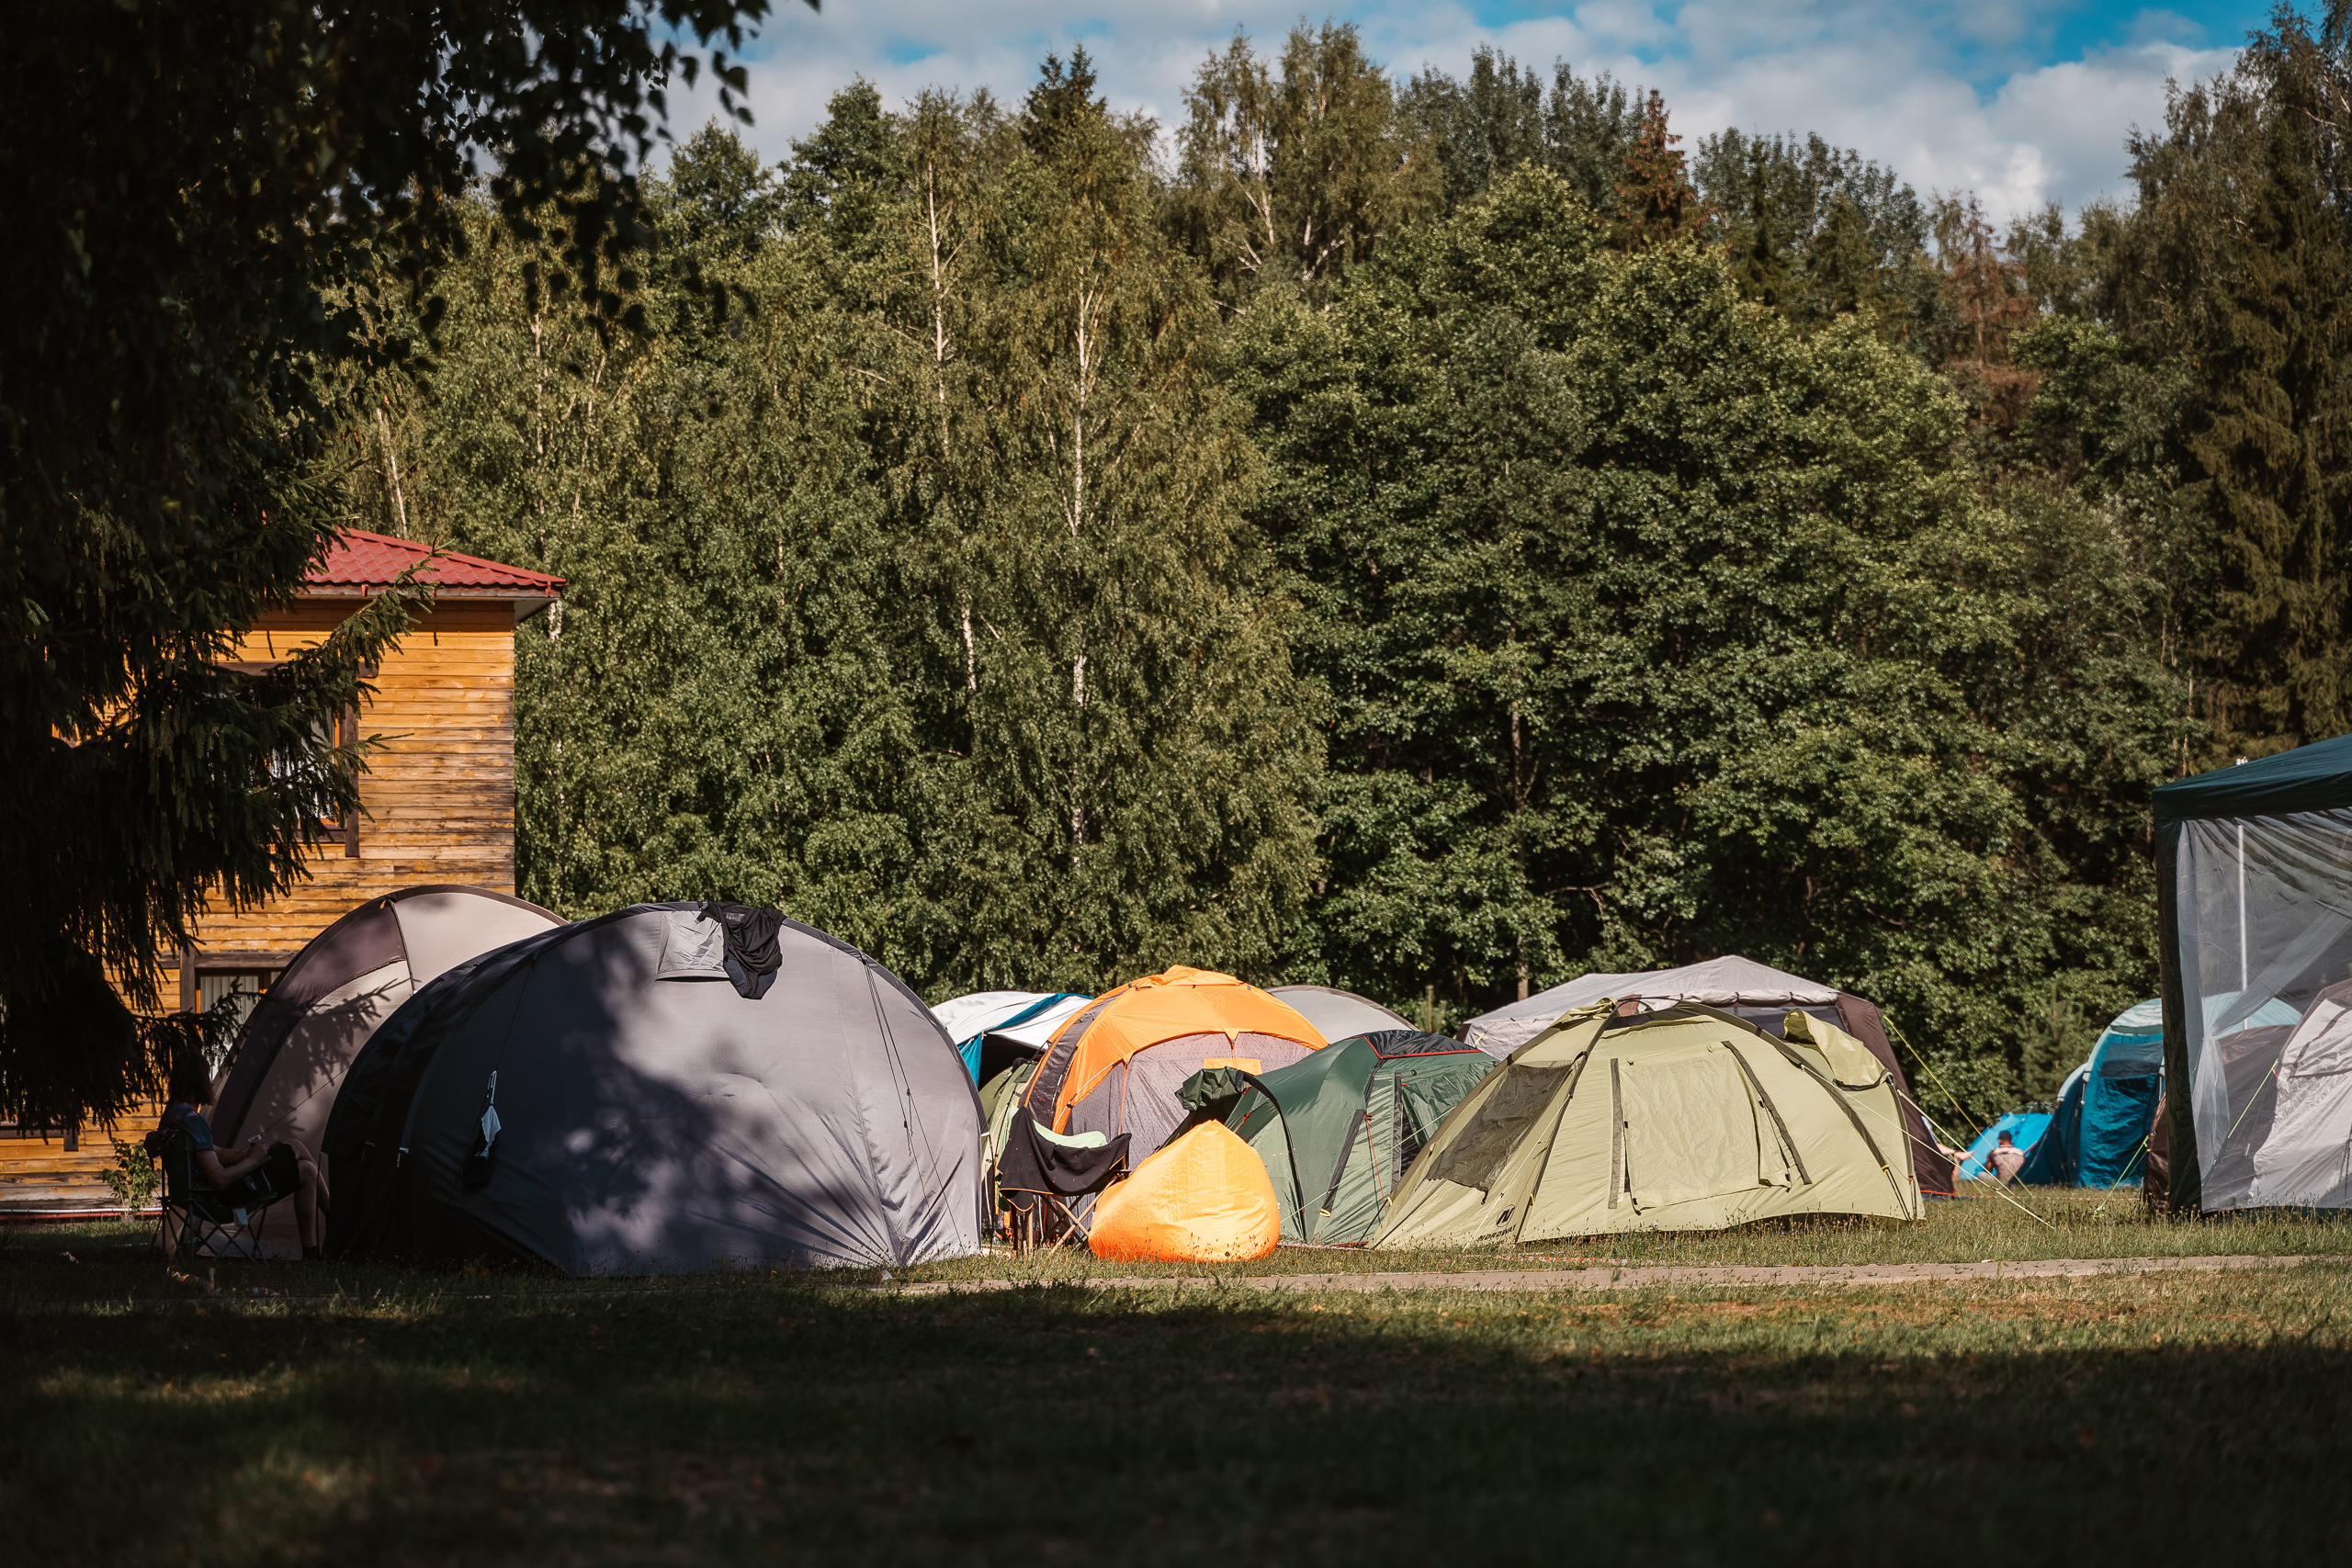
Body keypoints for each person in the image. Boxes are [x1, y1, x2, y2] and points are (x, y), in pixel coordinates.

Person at [152, 1099, 330, 1259]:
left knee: (308, 1170)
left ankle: (311, 1254)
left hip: (203, 1197)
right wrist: (253, 1160)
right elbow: (219, 1180)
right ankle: (335, 1218)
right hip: (227, 1201)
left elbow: (217, 1153)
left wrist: (253, 1155)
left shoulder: (174, 1116)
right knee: (295, 1145)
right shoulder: (193, 1120)